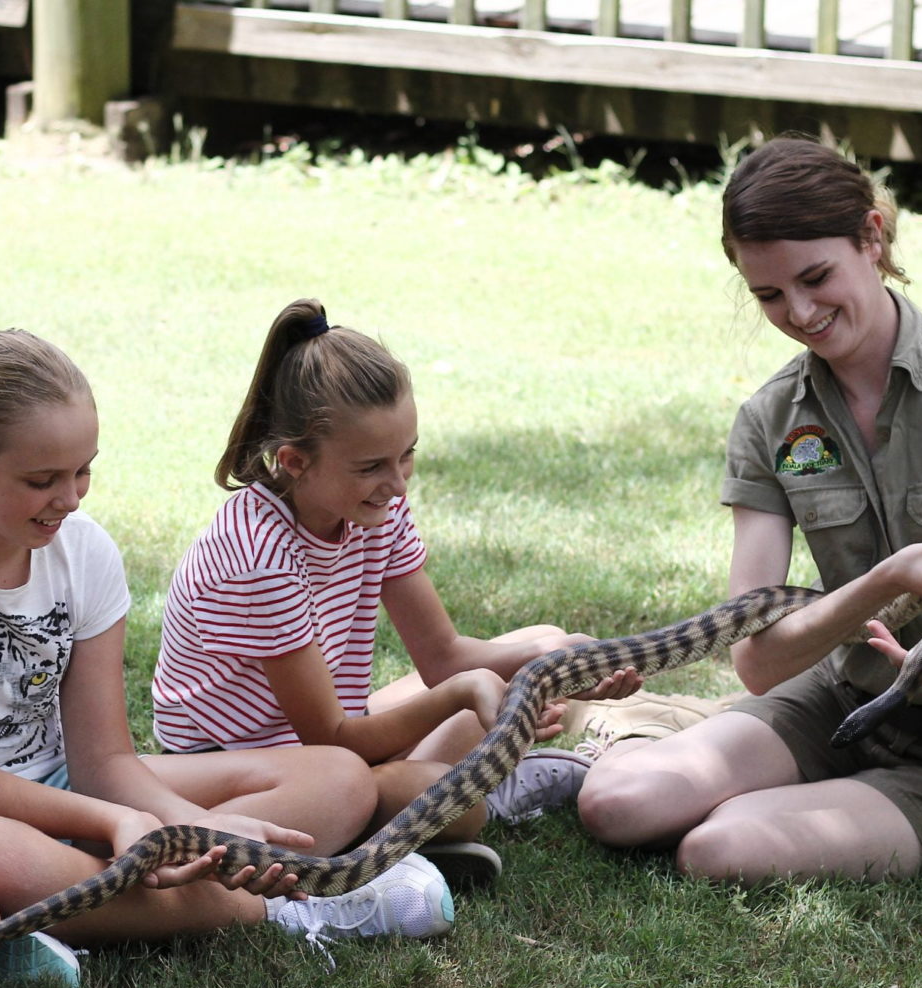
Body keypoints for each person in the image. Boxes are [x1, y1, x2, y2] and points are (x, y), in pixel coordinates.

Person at [0, 329, 454, 963]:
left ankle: (44, 915)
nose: (68, 500)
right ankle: (293, 908)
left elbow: (103, 762)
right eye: (42, 480)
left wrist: (178, 825)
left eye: (83, 472)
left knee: (340, 779)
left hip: (63, 785)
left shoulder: (86, 549)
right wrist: (140, 828)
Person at [577, 137, 922, 881]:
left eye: (816, 277)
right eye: (769, 295)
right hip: (832, 702)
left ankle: (744, 769)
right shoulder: (770, 420)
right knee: (617, 804)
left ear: (872, 236)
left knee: (717, 848)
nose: (801, 312)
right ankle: (679, 740)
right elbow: (757, 660)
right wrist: (888, 583)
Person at [151, 299, 643, 887]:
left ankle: (420, 814)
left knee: (547, 645)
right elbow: (330, 739)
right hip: (252, 772)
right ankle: (429, 817)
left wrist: (563, 662)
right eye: (372, 466)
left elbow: (443, 657)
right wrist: (464, 695)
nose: (397, 483)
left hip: (336, 739)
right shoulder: (256, 552)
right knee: (456, 799)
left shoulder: (374, 509)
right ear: (294, 461)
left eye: (407, 455)